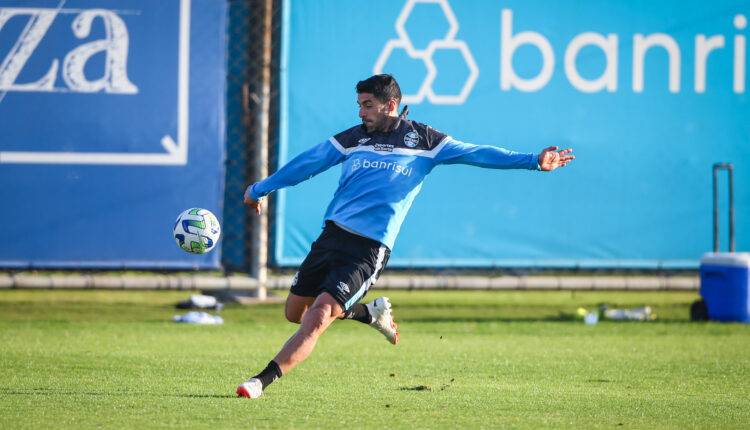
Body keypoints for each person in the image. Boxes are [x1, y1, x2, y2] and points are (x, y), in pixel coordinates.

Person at [236, 74, 575, 398]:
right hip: (331, 237)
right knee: (295, 312)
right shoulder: (354, 138)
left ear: (390, 104)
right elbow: (308, 163)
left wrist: (533, 160)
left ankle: (259, 381)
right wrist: (260, 189)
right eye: (359, 104)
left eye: (367, 104)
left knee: (320, 316)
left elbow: (478, 153)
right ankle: (368, 314)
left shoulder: (425, 141)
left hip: (368, 250)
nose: (360, 111)